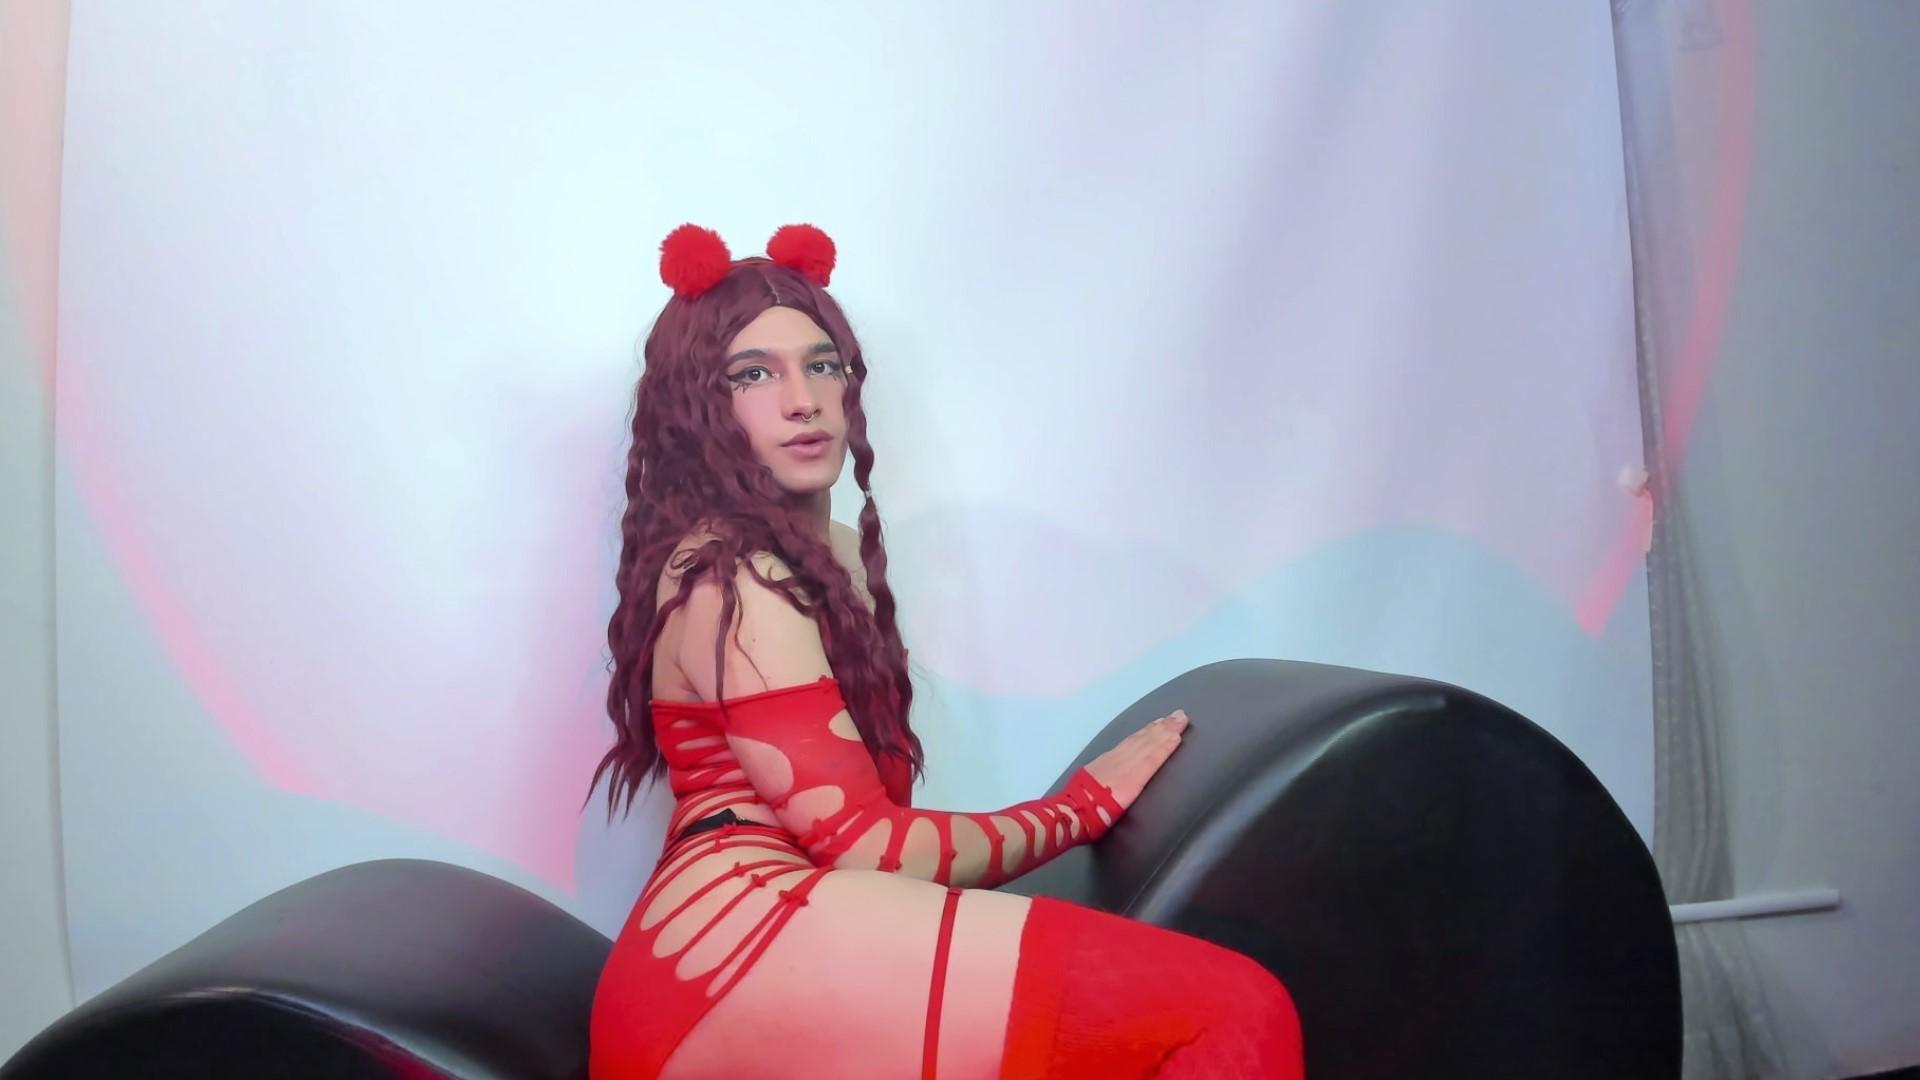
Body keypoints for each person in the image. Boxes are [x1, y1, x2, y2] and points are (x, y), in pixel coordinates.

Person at [587, 223, 1303, 1079]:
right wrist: (1073, 813)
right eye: (753, 374)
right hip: (728, 951)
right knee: (1234, 1008)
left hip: (768, 940)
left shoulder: (830, 556)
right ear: (696, 407)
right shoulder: (737, 573)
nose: (803, 399)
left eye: (823, 365)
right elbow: (863, 842)